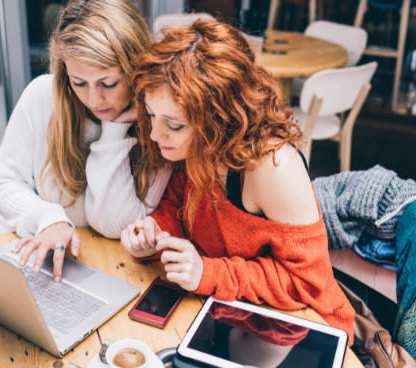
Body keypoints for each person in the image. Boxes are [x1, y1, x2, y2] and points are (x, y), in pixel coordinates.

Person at [120, 19, 355, 344]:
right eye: (151, 114)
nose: (155, 134)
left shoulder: (272, 167)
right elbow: (178, 206)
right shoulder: (197, 144)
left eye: (173, 125)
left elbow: (307, 283)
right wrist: (154, 232)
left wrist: (207, 273)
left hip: (304, 330)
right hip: (234, 314)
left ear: (219, 120)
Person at [0, 0, 171, 283]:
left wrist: (114, 130)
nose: (94, 100)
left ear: (137, 71)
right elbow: (2, 185)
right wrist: (48, 217)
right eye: (79, 82)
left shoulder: (161, 127)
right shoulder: (41, 96)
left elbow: (117, 226)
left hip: (102, 267)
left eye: (108, 84)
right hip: (25, 252)